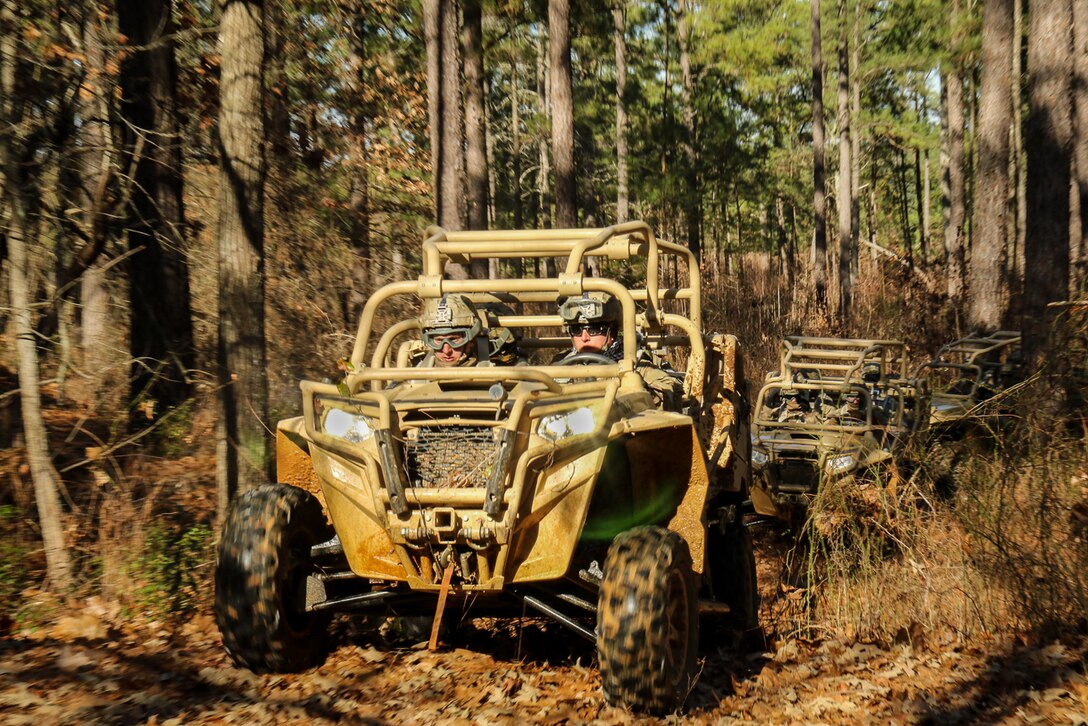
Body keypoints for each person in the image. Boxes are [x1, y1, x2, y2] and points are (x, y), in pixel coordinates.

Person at [556, 292, 682, 409]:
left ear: (612, 332)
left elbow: (671, 393)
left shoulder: (637, 361)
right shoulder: (561, 363)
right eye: (576, 330)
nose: (584, 337)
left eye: (594, 330)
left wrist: (640, 390)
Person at [416, 294, 485, 367]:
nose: (446, 351)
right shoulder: (416, 373)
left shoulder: (492, 372)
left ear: (471, 341)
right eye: (439, 340)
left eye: (453, 339)